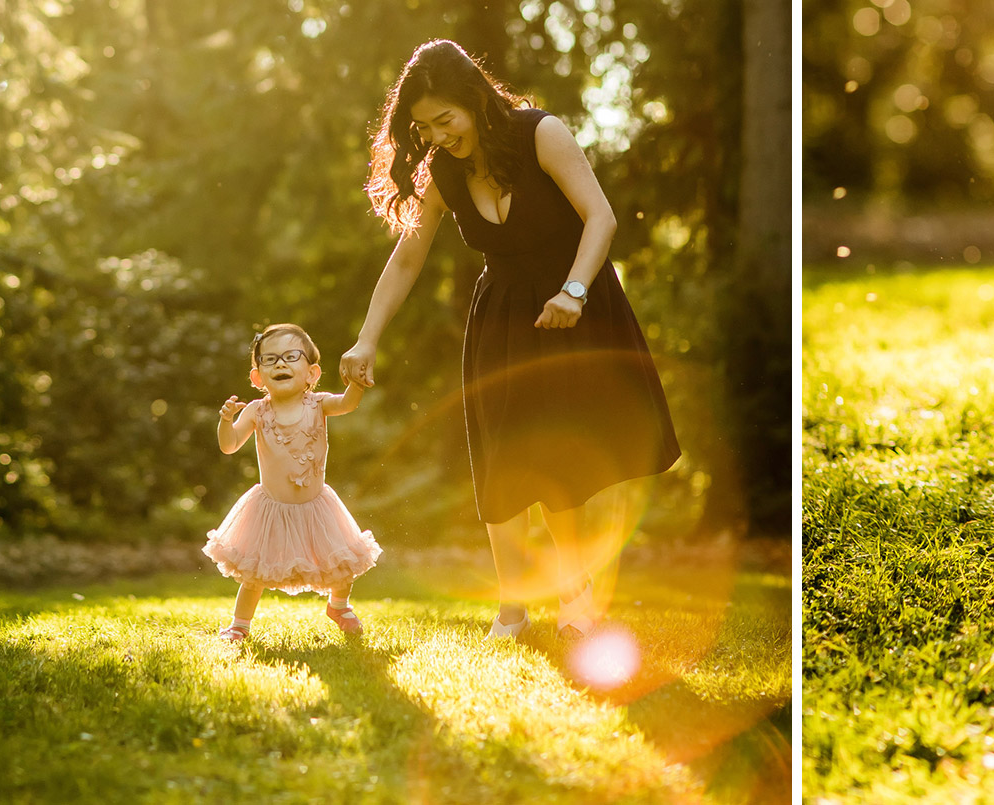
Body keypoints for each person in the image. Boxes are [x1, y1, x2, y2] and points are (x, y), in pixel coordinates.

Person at [340, 40, 680, 641]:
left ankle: (575, 597)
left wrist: (572, 291)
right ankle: (513, 608)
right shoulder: (441, 172)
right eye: (425, 126)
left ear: (475, 98)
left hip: (579, 304)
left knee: (566, 453)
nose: (439, 135)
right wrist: (366, 339)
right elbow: (406, 260)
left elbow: (600, 217)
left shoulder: (541, 134)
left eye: (446, 119)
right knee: (501, 456)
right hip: (502, 316)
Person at [203, 323, 381, 644]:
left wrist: (356, 382)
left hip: (316, 506)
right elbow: (229, 445)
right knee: (255, 573)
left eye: (290, 356)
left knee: (342, 562)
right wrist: (226, 421)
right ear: (257, 377)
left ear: (312, 374)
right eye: (270, 360)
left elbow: (347, 404)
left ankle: (338, 605)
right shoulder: (258, 411)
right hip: (270, 508)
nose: (280, 364)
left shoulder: (319, 404)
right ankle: (239, 624)